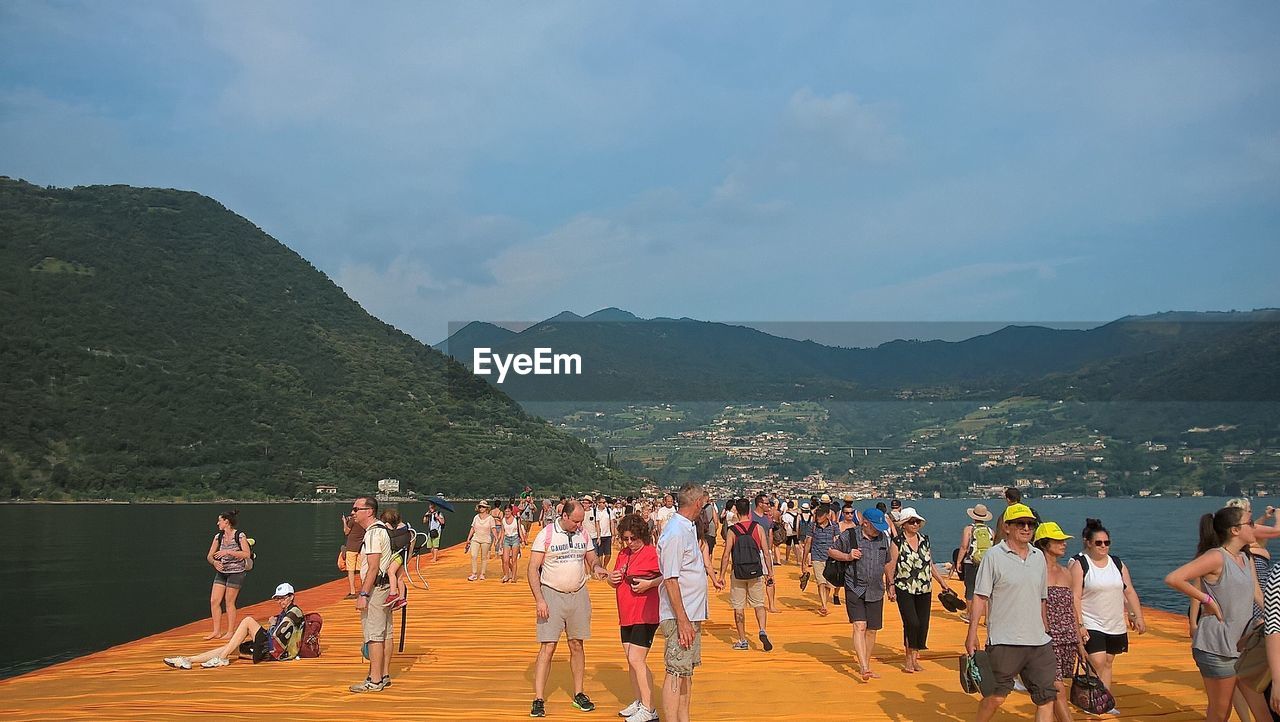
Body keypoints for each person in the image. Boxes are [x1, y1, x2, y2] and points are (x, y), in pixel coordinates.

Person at [1166, 506, 1269, 722]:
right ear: (1234, 530)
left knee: (1263, 713)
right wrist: (1208, 600)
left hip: (1245, 645)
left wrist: (1273, 616)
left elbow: (1257, 592)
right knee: (1221, 712)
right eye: (1250, 523)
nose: (1255, 527)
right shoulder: (1216, 557)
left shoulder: (1245, 557)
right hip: (1217, 647)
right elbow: (1174, 578)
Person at [965, 503, 1057, 721]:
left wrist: (1046, 627)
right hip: (1005, 641)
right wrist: (972, 633)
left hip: (1038, 642)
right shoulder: (993, 556)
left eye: (1031, 524)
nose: (1026, 528)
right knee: (996, 697)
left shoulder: (1038, 557)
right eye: (1020, 524)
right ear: (1007, 527)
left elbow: (1042, 597)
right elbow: (980, 596)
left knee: (1046, 697)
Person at [528, 500, 609, 717]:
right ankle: (538, 697)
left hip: (578, 593)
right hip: (551, 594)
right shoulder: (546, 534)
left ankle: (579, 693)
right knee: (548, 646)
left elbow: (590, 556)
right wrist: (539, 600)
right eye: (576, 521)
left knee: (577, 644)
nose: (579, 525)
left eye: (581, 521)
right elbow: (533, 569)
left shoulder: (582, 533)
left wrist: (597, 566)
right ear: (564, 516)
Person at [1068, 517, 1145, 708]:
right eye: (1099, 543)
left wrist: (1136, 614)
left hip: (1114, 622)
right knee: (1097, 661)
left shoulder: (1117, 563)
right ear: (1088, 542)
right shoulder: (1079, 563)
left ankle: (1104, 702)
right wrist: (1080, 624)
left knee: (1108, 662)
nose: (1103, 546)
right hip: (1091, 620)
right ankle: (1092, 700)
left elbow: (1128, 590)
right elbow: (1074, 596)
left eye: (1107, 543)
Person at [657, 484, 719, 722]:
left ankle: (684, 718)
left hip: (691, 612)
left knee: (686, 671)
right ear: (697, 504)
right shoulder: (675, 532)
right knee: (675, 671)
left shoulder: (688, 528)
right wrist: (682, 620)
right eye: (704, 503)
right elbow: (671, 579)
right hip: (679, 615)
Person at [165, 583, 305, 669]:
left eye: (283, 598)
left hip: (275, 652)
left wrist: (273, 625)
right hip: (272, 651)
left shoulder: (294, 612)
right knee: (230, 648)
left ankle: (222, 659)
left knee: (248, 620)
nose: (280, 601)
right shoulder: (286, 612)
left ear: (291, 596)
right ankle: (188, 660)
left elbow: (277, 638)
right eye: (278, 599)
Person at [828, 506, 897, 680]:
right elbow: (831, 551)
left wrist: (891, 584)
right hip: (855, 586)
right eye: (875, 527)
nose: (878, 531)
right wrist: (848, 556)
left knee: (872, 630)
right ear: (865, 523)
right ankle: (864, 667)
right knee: (860, 626)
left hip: (876, 589)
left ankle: (865, 663)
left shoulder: (883, 539)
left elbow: (887, 562)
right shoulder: (850, 536)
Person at [609, 514, 662, 722]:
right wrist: (612, 579)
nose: (629, 542)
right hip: (626, 612)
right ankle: (640, 701)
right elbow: (614, 579)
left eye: (633, 538)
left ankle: (649, 709)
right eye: (626, 538)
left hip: (645, 613)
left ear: (642, 536)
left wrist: (649, 584)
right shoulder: (623, 553)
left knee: (636, 659)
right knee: (631, 660)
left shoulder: (651, 553)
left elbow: (667, 575)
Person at [1033, 521, 1083, 722]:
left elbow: (1072, 608)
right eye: (1058, 540)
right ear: (1045, 544)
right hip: (1045, 637)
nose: (1064, 544)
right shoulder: (1035, 571)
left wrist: (1079, 642)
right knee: (1057, 687)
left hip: (1067, 637)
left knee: (1051, 693)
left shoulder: (1066, 572)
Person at [890, 507, 950, 674]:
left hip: (924, 587)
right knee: (912, 623)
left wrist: (942, 582)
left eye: (917, 521)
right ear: (904, 524)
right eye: (911, 521)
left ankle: (915, 659)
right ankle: (908, 660)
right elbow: (891, 565)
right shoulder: (897, 542)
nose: (915, 524)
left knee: (922, 624)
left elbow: (930, 563)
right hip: (904, 587)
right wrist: (890, 586)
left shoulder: (924, 540)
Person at [349, 495, 395, 693]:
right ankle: (383, 674)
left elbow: (373, 566)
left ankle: (374, 680)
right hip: (384, 587)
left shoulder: (373, 534)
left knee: (374, 635)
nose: (352, 512)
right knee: (386, 633)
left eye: (356, 509)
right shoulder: (380, 530)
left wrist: (364, 594)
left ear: (368, 511)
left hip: (376, 589)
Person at [719, 497, 774, 652]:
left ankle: (743, 640)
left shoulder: (732, 530)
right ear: (749, 511)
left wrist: (722, 575)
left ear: (736, 511)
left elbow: (726, 554)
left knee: (738, 607)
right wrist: (769, 573)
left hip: (738, 572)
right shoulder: (757, 528)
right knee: (759, 604)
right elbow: (766, 551)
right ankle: (762, 629)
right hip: (755, 571)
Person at [206, 509, 251, 640]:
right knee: (214, 601)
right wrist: (214, 562)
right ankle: (216, 631)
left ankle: (230, 631)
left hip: (236, 572)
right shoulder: (218, 537)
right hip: (222, 571)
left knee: (229, 601)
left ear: (226, 522)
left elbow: (246, 554)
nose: (217, 523)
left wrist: (228, 552)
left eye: (219, 520)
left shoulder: (240, 536)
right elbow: (209, 555)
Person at [801, 503, 838, 616]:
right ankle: (824, 606)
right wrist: (804, 561)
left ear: (827, 515)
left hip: (830, 558)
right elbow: (808, 543)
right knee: (820, 582)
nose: (818, 518)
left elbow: (837, 541)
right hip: (817, 557)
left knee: (828, 585)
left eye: (821, 515)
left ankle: (824, 603)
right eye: (817, 515)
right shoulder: (812, 526)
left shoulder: (834, 526)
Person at [958, 504, 995, 606]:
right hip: (986, 563)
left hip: (971, 562)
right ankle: (987, 618)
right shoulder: (990, 531)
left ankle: (969, 614)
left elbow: (964, 547)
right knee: (986, 590)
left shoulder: (969, 529)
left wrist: (958, 562)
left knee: (970, 589)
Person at [380, 508, 413, 611]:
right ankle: (402, 598)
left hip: (399, 556)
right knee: (399, 578)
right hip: (403, 556)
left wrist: (388, 528)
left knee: (391, 572)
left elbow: (394, 538)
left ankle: (393, 593)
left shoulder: (400, 529)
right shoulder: (407, 528)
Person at [466, 501, 496, 582]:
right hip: (476, 538)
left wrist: (497, 538)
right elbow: (472, 528)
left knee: (484, 557)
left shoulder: (490, 518)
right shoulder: (476, 517)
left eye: (483, 507)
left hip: (486, 539)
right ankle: (474, 573)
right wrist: (468, 538)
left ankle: (482, 574)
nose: (481, 508)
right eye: (480, 507)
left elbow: (493, 529)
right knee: (473, 555)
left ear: (486, 508)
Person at [342, 508, 367, 600]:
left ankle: (352, 591)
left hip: (351, 547)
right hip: (361, 548)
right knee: (361, 570)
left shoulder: (352, 521)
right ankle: (363, 589)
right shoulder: (363, 521)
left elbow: (346, 531)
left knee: (351, 570)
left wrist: (344, 522)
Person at [501, 504, 526, 584]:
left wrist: (523, 540)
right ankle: (506, 575)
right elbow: (502, 531)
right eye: (505, 511)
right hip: (507, 539)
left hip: (515, 538)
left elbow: (519, 530)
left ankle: (514, 577)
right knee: (505, 560)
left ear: (511, 511)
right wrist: (500, 542)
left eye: (508, 511)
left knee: (514, 559)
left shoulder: (516, 519)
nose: (507, 513)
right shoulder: (503, 520)